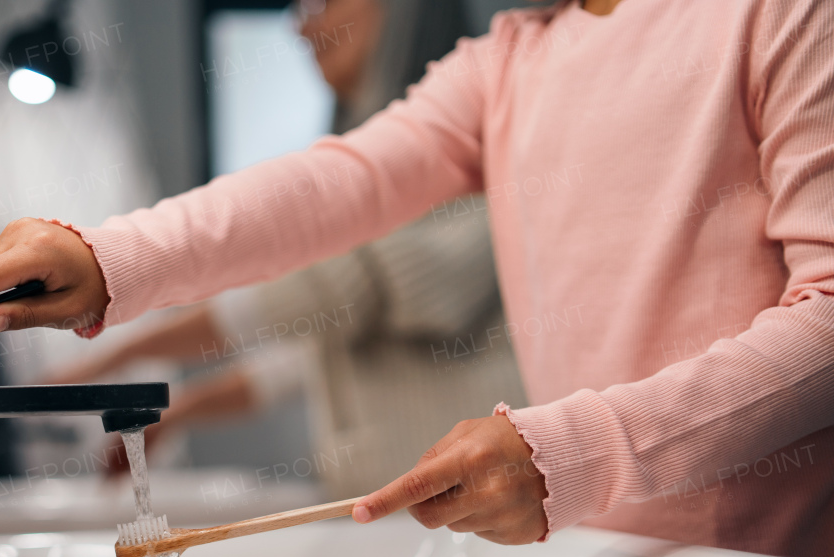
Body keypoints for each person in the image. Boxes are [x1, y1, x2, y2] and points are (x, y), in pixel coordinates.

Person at [0, 0, 834, 557]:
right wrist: (114, 257)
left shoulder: (783, 15)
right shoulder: (509, 60)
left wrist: (584, 449)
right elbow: (338, 185)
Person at [45, 0, 527, 500]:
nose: (301, 26)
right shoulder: (360, 149)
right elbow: (309, 350)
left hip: (475, 514)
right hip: (405, 509)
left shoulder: (482, 142)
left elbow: (348, 287)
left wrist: (121, 337)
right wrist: (178, 409)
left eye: (322, 3)